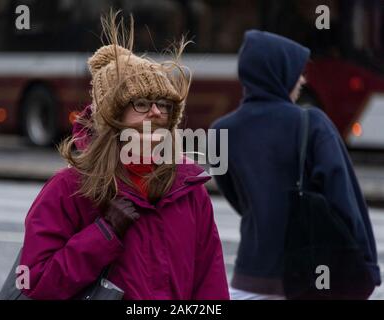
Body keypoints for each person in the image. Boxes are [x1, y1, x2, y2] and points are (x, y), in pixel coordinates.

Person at [19, 12, 229, 300]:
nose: (156, 112)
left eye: (164, 104)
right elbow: (34, 283)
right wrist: (104, 234)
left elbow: (211, 288)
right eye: (141, 103)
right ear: (112, 118)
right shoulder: (69, 189)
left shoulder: (190, 192)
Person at [210, 30, 381, 300]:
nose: (301, 80)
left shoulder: (221, 130)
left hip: (248, 277)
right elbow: (344, 200)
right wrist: (366, 267)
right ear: (278, 72)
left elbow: (237, 197)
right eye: (296, 72)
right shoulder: (311, 123)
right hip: (307, 278)